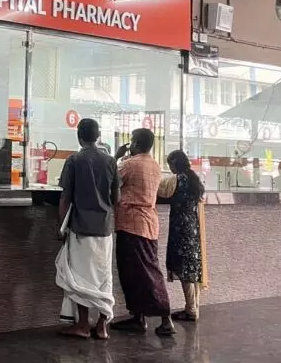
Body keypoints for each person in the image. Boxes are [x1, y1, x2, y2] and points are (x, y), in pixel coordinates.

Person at [55, 118, 120, 340]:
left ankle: (83, 324)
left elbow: (65, 198)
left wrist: (60, 226)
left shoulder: (74, 160)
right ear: (98, 136)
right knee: (104, 275)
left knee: (81, 276)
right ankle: (102, 326)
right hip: (104, 228)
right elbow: (116, 198)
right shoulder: (110, 161)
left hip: (80, 227)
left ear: (79, 136)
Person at [112, 128, 175, 336]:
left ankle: (164, 318)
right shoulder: (155, 165)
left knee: (142, 273)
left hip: (131, 224)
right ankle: (139, 317)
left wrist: (116, 156)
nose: (130, 144)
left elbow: (111, 180)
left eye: (131, 141)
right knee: (142, 271)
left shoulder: (129, 164)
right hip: (149, 223)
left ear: (137, 144)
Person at [160, 150, 206, 321]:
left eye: (170, 164)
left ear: (175, 164)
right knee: (192, 267)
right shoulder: (194, 179)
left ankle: (191, 309)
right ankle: (193, 306)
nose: (170, 168)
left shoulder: (177, 179)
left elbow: (161, 192)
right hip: (192, 226)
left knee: (183, 268)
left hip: (180, 227)